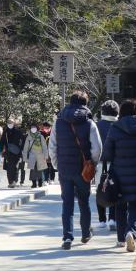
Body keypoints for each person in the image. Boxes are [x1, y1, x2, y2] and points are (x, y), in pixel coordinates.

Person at [49, 90, 102, 250]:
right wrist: (92, 164)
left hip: (65, 168)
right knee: (84, 202)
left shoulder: (58, 122)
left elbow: (52, 147)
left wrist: (57, 164)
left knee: (67, 203)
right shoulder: (89, 123)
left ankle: (67, 237)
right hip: (82, 169)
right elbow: (97, 148)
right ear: (85, 104)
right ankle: (86, 233)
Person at [101, 99, 136, 252]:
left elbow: (107, 153)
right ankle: (131, 231)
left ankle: (121, 239)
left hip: (119, 171)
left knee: (120, 205)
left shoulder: (115, 128)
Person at [95, 100, 119, 230]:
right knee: (115, 190)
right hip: (117, 163)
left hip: (100, 163)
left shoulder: (97, 125)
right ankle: (112, 218)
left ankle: (102, 219)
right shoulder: (119, 124)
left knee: (100, 189)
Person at [22, 123, 49, 188]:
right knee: (33, 169)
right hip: (32, 155)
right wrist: (25, 157)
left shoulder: (40, 136)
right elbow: (25, 148)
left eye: (34, 128)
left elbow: (44, 146)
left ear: (37, 129)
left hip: (40, 155)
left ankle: (40, 182)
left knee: (40, 169)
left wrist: (46, 155)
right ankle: (33, 183)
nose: (33, 129)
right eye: (32, 128)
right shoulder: (28, 137)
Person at [1, 117, 24, 189]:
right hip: (8, 153)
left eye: (11, 123)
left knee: (15, 167)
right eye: (8, 123)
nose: (10, 124)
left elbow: (22, 141)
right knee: (9, 168)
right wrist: (1, 150)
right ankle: (10, 182)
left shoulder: (18, 132)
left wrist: (21, 151)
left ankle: (14, 181)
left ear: (14, 123)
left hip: (17, 152)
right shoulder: (5, 132)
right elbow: (2, 142)